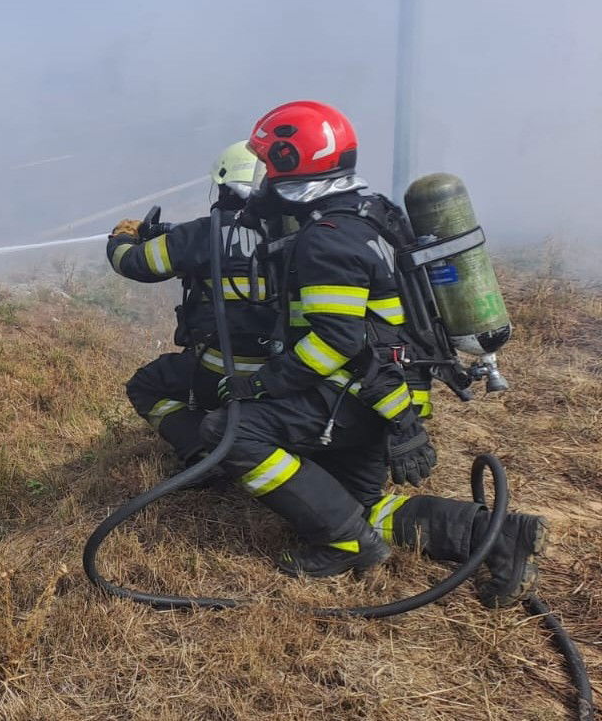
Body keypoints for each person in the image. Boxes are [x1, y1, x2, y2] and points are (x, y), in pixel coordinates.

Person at [201, 100, 545, 607]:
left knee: (229, 431)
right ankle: (498, 537)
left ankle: (345, 544)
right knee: (354, 503)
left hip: (368, 395)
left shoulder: (326, 241)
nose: (263, 177)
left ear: (290, 164)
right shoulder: (368, 212)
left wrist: (261, 385)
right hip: (391, 390)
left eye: (269, 163)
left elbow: (337, 341)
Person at [107, 142, 275, 467]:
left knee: (147, 385)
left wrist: (123, 235)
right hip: (282, 376)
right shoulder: (298, 236)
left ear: (225, 186)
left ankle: (201, 453)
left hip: (220, 373)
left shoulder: (202, 235)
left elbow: (131, 263)